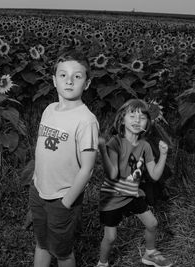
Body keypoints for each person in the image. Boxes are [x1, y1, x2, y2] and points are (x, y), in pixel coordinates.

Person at [29, 50, 99, 267]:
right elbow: (42, 149)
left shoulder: (85, 121)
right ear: (54, 80)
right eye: (63, 75)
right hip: (39, 191)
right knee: (41, 244)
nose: (69, 81)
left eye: (77, 76)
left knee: (62, 252)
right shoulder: (49, 110)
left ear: (87, 84)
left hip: (63, 197)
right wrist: (34, 180)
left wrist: (67, 202)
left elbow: (87, 169)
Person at [96, 99, 172, 267]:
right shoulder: (114, 143)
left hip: (132, 195)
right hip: (112, 197)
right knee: (111, 237)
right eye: (132, 115)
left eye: (142, 117)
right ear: (122, 120)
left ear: (148, 123)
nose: (137, 120)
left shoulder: (145, 145)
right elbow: (113, 173)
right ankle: (102, 263)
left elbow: (154, 175)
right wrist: (102, 150)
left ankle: (150, 253)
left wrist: (163, 154)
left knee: (152, 224)